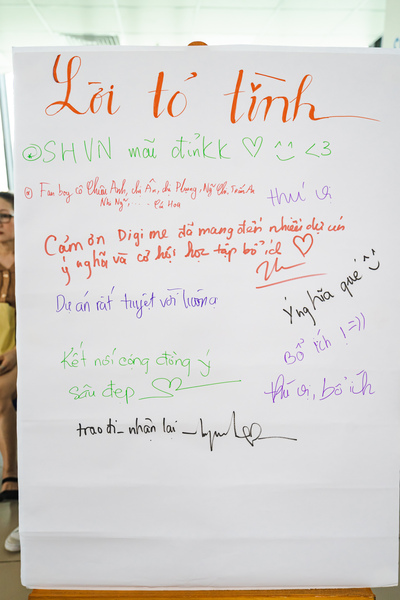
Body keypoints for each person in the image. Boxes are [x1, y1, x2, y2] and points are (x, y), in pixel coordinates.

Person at [0, 191, 17, 502]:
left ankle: (10, 472)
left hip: (26, 345)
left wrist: (19, 351)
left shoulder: (34, 257)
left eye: (4, 216)